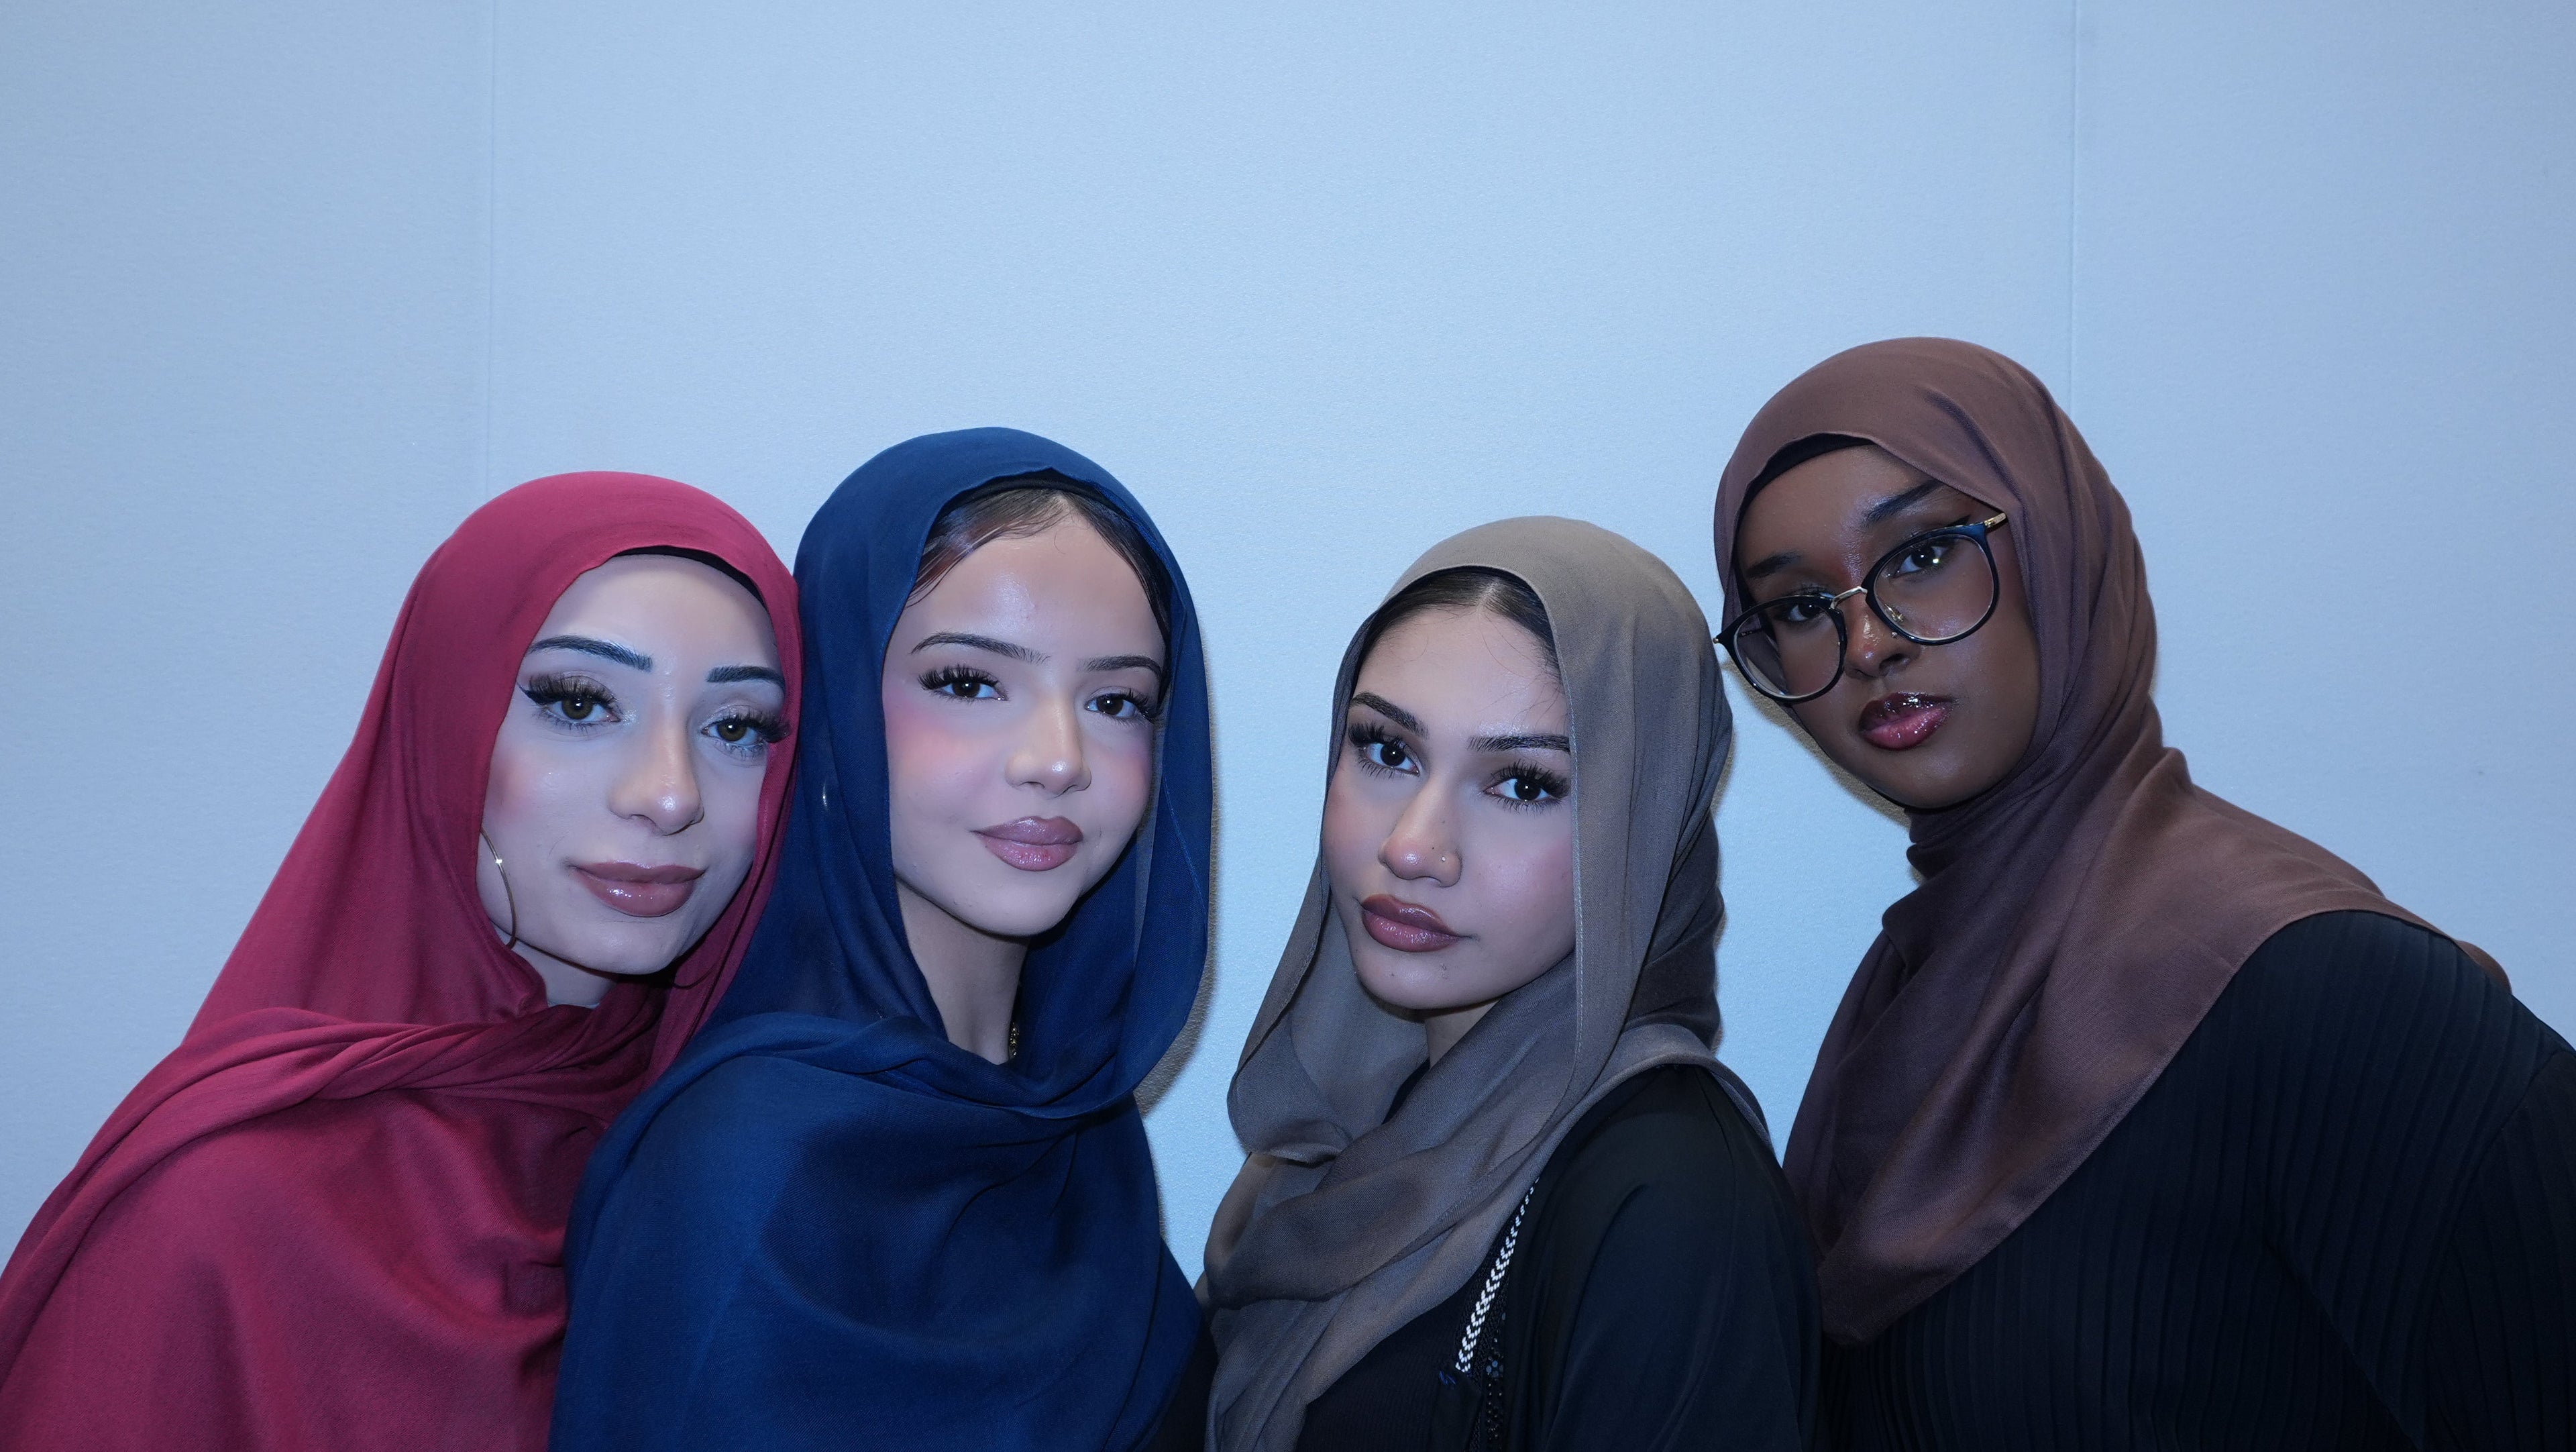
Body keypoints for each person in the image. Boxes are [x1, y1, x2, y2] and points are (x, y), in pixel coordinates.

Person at [1712, 337, 2576, 1450]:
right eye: (1796, 609)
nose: (1868, 642)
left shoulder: (2312, 982)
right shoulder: (1908, 1000)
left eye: (1924, 552)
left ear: (2060, 550)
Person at [0, 473, 800, 1450]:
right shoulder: (225, 1207)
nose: (668, 794)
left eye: (737, 729)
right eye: (581, 704)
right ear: (444, 726)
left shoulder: (748, 1166)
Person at [550, 429, 1211, 1451]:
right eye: (968, 683)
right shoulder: (750, 1164)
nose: (1057, 760)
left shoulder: (1077, 1129)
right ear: (839, 705)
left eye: (1116, 701)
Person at [1201, 519, 1818, 1452]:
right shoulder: (1347, 1139)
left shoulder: (1670, 1199)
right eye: (1387, 749)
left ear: (1642, 824)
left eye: (1524, 785)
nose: (1412, 845)